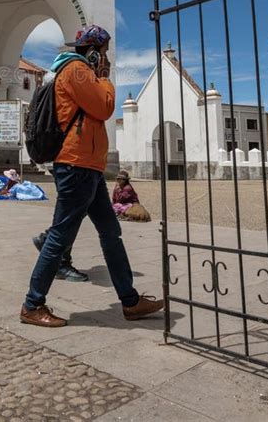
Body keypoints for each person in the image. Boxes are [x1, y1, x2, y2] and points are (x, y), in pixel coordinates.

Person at [20, 25, 163, 327]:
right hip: (76, 165)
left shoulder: (76, 70)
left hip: (89, 167)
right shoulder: (76, 70)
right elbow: (105, 106)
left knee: (111, 232)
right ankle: (32, 304)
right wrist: (106, 78)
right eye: (104, 52)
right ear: (93, 51)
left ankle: (130, 301)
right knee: (60, 236)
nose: (107, 58)